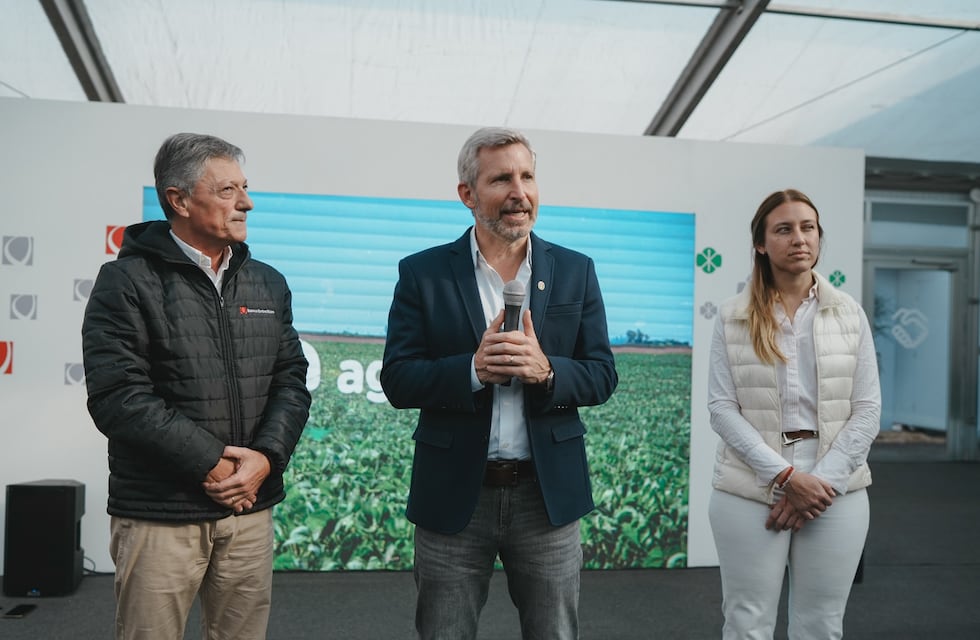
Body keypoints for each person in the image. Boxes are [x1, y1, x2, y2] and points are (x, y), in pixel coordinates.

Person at [380, 126, 618, 639]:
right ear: (467, 193)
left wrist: (547, 370)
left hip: (546, 498)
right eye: (501, 179)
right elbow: (398, 379)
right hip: (454, 499)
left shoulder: (576, 270)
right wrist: (471, 370)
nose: (519, 191)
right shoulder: (422, 273)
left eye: (528, 176)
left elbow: (602, 375)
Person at [81, 133, 312, 640]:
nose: (246, 202)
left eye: (244, 188)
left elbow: (292, 380)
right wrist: (213, 461)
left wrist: (265, 459)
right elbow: (118, 397)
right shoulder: (124, 282)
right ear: (179, 200)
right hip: (160, 513)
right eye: (228, 190)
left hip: (250, 505)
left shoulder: (268, 282)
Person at [707, 188, 881, 639]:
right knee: (746, 621)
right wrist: (787, 479)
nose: (799, 238)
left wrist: (819, 484)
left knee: (821, 624)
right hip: (749, 486)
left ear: (819, 237)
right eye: (783, 229)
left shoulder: (849, 313)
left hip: (835, 489)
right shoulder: (731, 317)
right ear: (761, 244)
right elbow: (722, 409)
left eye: (808, 228)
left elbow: (867, 409)